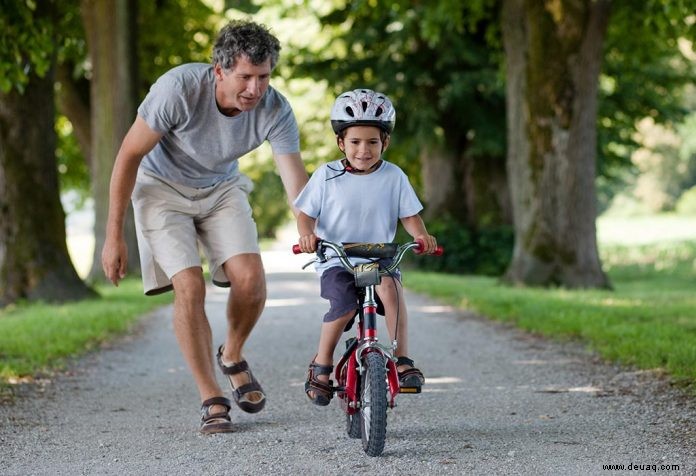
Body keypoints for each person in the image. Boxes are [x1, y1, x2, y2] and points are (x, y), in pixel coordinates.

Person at [101, 20, 308, 434]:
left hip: (219, 188)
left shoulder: (275, 109)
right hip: (160, 190)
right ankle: (211, 396)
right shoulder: (178, 89)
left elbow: (294, 179)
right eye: (245, 77)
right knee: (190, 286)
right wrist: (113, 236)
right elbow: (127, 156)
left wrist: (308, 229)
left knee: (250, 279)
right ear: (219, 70)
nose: (255, 89)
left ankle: (232, 355)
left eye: (264, 77)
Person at [294, 89, 437, 406]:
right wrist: (307, 235)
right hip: (337, 258)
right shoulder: (326, 176)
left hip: (379, 257)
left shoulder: (394, 176)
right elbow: (305, 215)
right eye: (355, 142)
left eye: (373, 142)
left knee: (391, 288)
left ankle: (402, 359)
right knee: (343, 306)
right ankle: (322, 364)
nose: (364, 149)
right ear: (341, 143)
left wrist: (422, 236)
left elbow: (410, 216)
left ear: (384, 143)